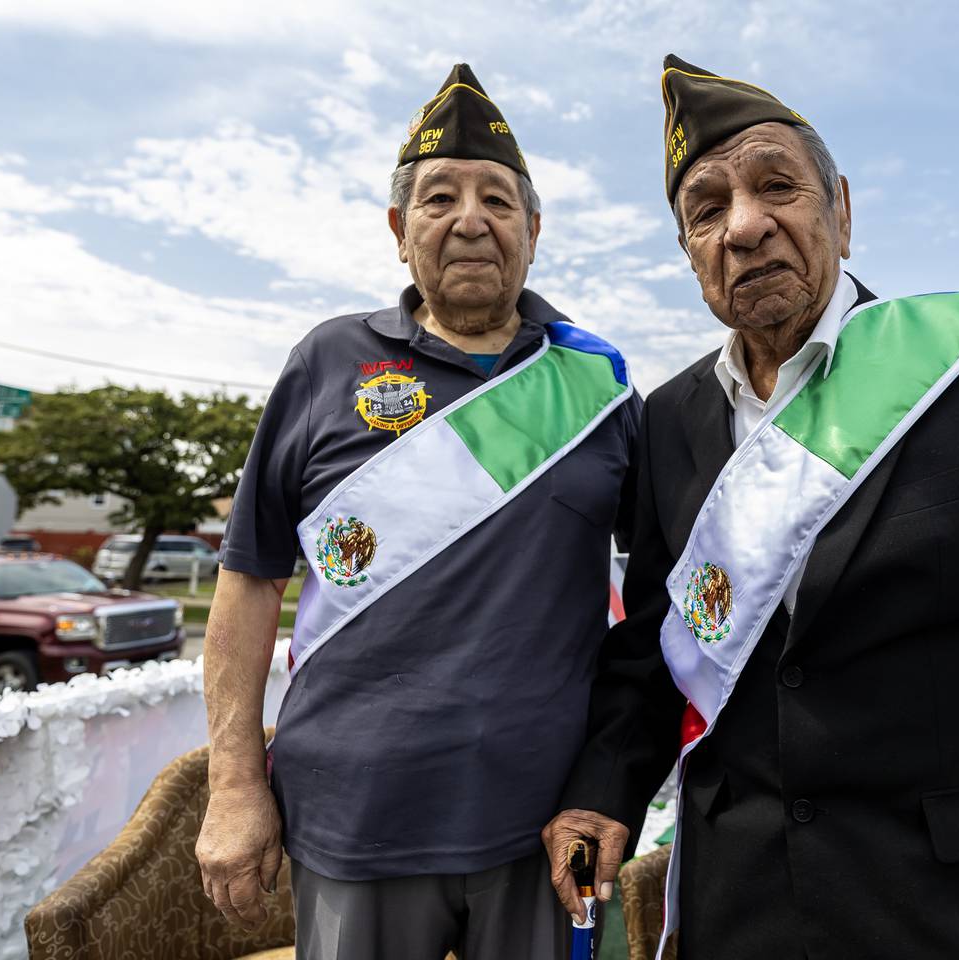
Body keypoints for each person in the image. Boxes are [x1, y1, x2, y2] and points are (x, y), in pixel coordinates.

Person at [543, 55, 959, 959]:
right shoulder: (667, 425)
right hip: (738, 917)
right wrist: (600, 791)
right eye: (707, 209)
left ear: (843, 212)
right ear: (691, 253)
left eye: (776, 184)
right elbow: (655, 651)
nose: (745, 225)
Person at [197, 63, 640, 960]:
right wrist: (234, 783)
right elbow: (248, 584)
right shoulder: (326, 362)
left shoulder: (598, 389)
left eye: (499, 201)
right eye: (440, 197)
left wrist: (612, 789)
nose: (471, 218)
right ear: (401, 232)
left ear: (534, 231)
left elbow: (662, 603)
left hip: (551, 828)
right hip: (354, 820)